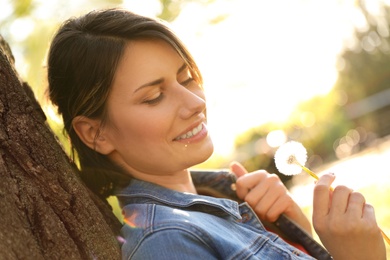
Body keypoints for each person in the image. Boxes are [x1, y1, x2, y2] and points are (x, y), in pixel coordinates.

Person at [47, 8, 386, 260]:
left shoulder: (227, 204)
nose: (194, 102)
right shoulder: (167, 243)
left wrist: (297, 235)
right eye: (154, 96)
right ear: (95, 133)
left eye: (186, 78)